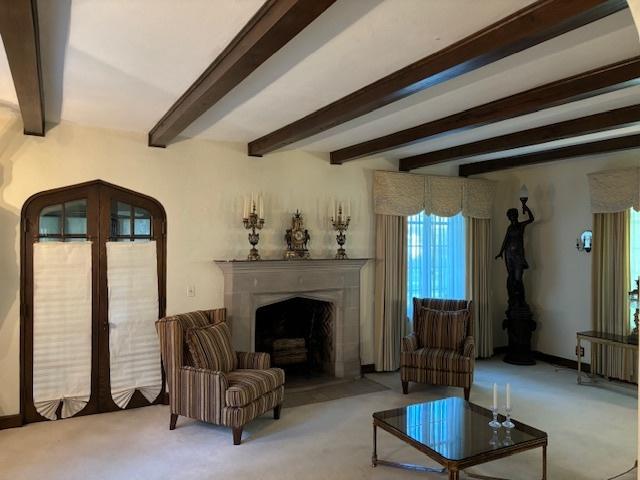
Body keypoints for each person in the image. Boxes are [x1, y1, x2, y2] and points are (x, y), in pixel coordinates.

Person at [495, 204, 534, 305]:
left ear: (516, 215)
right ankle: (512, 299)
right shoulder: (509, 228)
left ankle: (521, 300)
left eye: (513, 215)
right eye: (510, 216)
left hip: (518, 255)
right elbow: (505, 240)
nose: (512, 217)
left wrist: (526, 208)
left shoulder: (521, 225)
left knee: (518, 278)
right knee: (511, 277)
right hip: (508, 254)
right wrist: (500, 252)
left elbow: (531, 219)